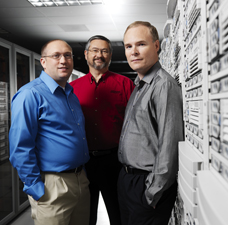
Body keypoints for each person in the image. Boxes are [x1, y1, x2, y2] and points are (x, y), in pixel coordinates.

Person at [9, 39, 90, 225]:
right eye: (56, 56)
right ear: (43, 62)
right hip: (52, 185)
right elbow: (20, 147)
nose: (63, 61)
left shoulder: (70, 94)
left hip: (80, 180)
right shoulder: (30, 95)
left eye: (67, 56)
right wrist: (35, 187)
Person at [118, 21, 184, 225]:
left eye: (141, 44)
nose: (134, 52)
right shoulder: (140, 85)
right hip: (129, 180)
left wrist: (153, 192)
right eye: (128, 46)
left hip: (146, 186)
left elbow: (170, 142)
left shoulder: (163, 85)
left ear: (156, 46)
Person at [70, 35, 134, 225]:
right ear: (86, 54)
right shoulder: (72, 88)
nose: (100, 55)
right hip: (83, 163)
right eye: (95, 50)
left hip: (114, 161)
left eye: (104, 51)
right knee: (85, 216)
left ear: (110, 55)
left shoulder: (125, 84)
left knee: (119, 214)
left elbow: (134, 123)